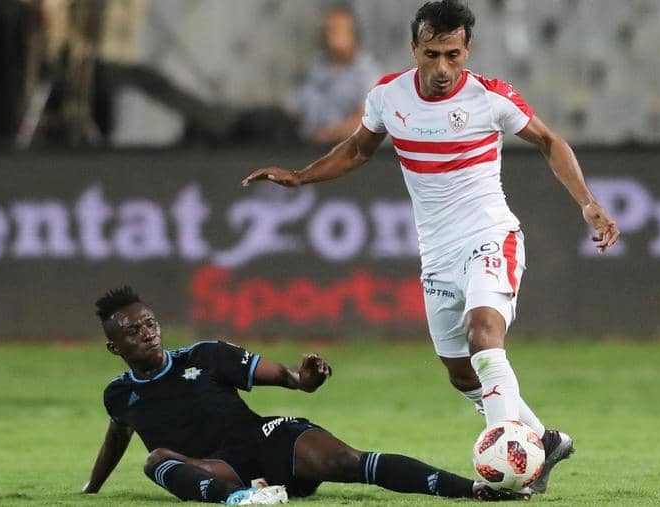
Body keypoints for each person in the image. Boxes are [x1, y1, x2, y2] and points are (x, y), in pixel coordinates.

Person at [242, 0, 621, 496]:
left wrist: (587, 202)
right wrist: (300, 177)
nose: (442, 68)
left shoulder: (491, 97)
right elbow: (357, 149)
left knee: (484, 335)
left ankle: (509, 470)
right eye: (432, 54)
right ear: (414, 48)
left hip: (490, 236)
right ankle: (542, 441)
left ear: (467, 50)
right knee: (462, 373)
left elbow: (550, 141)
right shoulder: (388, 96)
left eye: (453, 55)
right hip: (438, 254)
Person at [80, 286, 530, 503]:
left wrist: (306, 379)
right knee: (157, 460)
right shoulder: (119, 395)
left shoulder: (207, 355)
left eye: (150, 323)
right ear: (114, 347)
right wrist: (92, 488)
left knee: (350, 461)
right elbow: (117, 435)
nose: (147, 334)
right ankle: (241, 500)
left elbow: (288, 377)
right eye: (133, 331)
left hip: (265, 440)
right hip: (219, 470)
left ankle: (474, 490)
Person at [292, 6, 382, 145]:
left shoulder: (367, 73)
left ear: (353, 35)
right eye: (327, 29)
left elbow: (368, 119)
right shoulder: (318, 67)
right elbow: (299, 109)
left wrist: (332, 134)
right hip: (307, 146)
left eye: (336, 30)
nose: (329, 34)